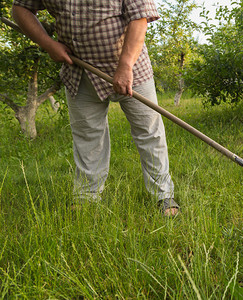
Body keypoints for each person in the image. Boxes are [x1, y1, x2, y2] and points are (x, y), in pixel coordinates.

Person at [12, 0, 179, 216]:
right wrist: (48, 43)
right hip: (79, 70)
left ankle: (163, 196)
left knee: (149, 132)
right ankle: (86, 198)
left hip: (131, 68)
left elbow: (140, 17)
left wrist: (125, 65)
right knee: (87, 135)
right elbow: (20, 8)